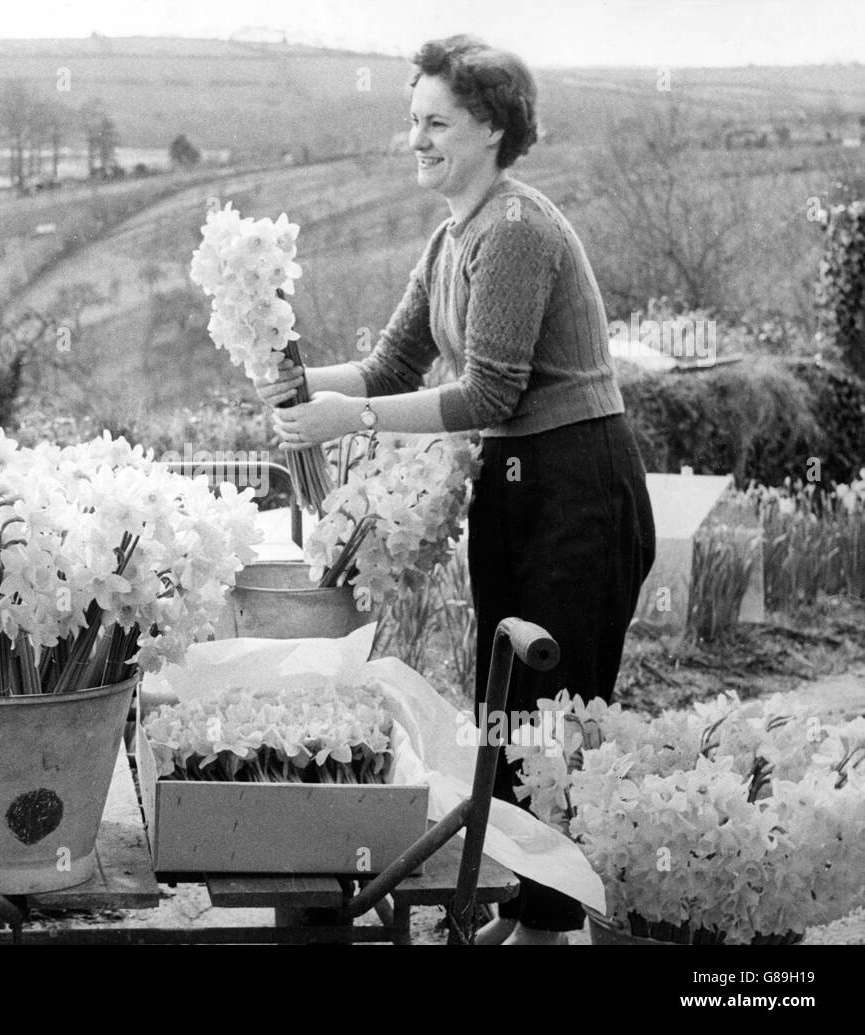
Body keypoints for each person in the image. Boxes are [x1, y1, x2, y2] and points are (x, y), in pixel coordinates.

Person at [256, 34, 656, 945]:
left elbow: (489, 393)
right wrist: (293, 378)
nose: (416, 140)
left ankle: (560, 925)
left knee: (555, 710)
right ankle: (534, 915)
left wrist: (346, 423)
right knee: (504, 705)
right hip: (516, 488)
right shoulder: (451, 238)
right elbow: (390, 361)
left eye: (435, 122)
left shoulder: (516, 230)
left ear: (491, 127)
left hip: (580, 488)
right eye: (412, 122)